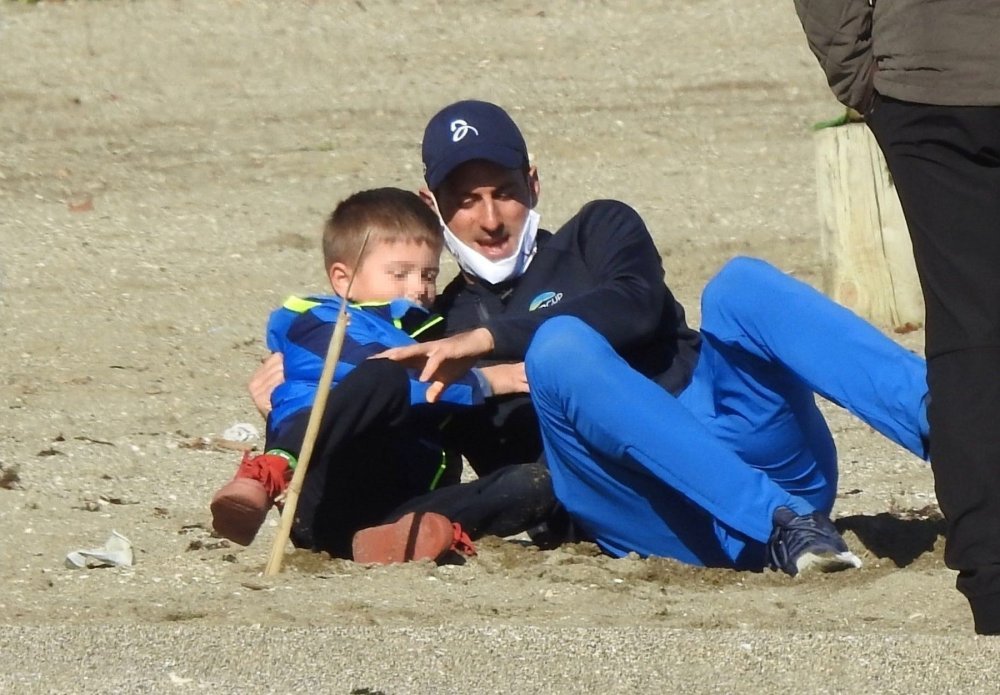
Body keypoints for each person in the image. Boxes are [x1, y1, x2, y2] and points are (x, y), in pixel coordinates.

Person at [372, 99, 931, 575]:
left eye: (505, 192)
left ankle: (953, 422)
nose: (490, 219)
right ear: (433, 206)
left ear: (534, 183)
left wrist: (489, 343)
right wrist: (294, 392)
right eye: (466, 200)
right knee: (560, 351)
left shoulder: (598, 230)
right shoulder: (437, 332)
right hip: (657, 513)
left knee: (740, 285)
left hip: (756, 453)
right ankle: (782, 523)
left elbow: (633, 307)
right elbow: (395, 445)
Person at [793, 1, 1000, 633]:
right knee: (972, 332)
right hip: (930, 78)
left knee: (970, 332)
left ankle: (991, 568)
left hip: (931, 78)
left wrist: (863, 74)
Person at [211, 187, 558, 562]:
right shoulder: (320, 318)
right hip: (320, 489)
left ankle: (397, 540)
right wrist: (487, 381)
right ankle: (268, 473)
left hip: (395, 506)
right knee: (385, 376)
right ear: (343, 279)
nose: (418, 289)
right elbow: (382, 372)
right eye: (400, 274)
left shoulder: (433, 334)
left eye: (429, 274)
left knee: (535, 484)